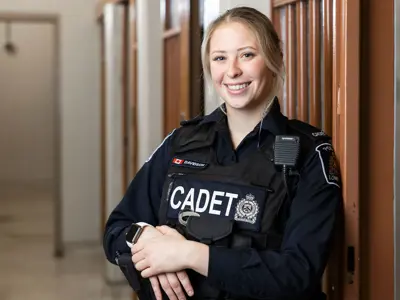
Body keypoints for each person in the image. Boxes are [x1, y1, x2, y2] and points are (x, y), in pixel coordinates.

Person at [103, 6, 343, 300]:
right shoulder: (181, 143)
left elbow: (297, 272)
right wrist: (148, 243)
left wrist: (190, 255)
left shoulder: (309, 153)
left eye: (247, 55)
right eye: (220, 58)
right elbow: (116, 231)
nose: (232, 71)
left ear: (275, 58)